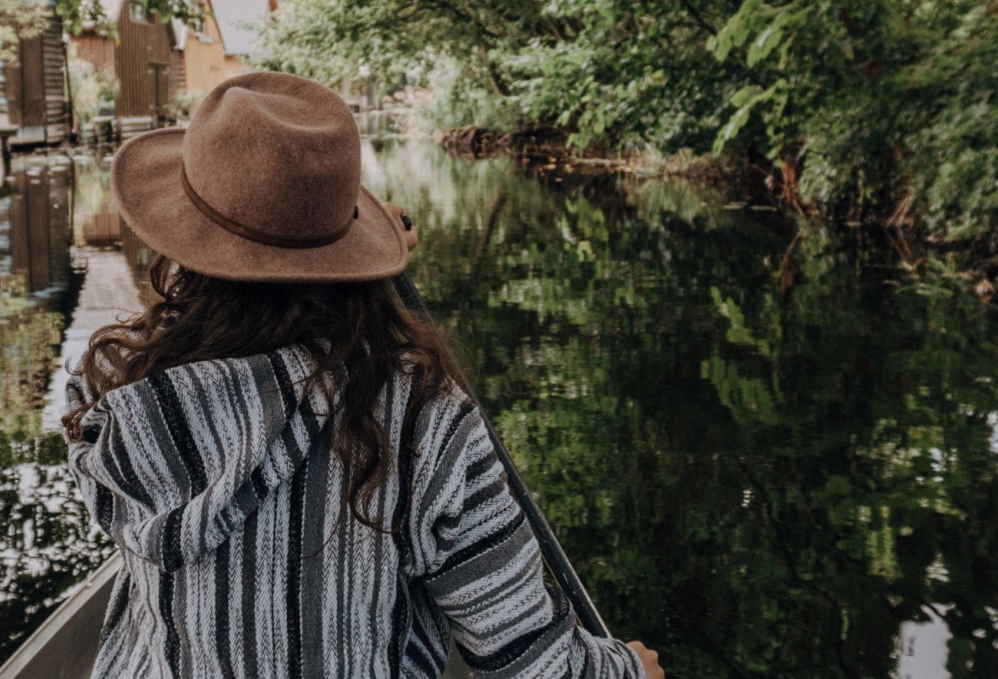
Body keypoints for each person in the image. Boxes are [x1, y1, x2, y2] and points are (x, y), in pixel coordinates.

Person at [62, 72, 664, 678]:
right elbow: (536, 667)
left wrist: (310, 235)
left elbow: (213, 328)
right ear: (347, 248)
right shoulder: (421, 418)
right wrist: (630, 671)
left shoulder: (112, 387)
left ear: (180, 238)